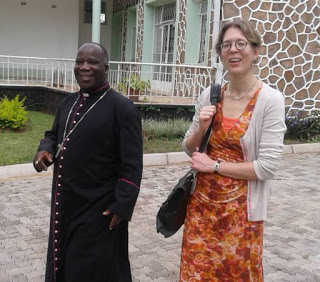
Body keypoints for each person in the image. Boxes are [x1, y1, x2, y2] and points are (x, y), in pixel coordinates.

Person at [179, 18, 286, 281]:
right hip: (202, 209)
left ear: (255, 50)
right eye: (226, 45)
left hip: (242, 215)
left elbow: (268, 167)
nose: (233, 50)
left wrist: (214, 166)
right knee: (197, 274)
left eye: (241, 43)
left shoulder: (270, 100)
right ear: (220, 53)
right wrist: (202, 128)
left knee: (236, 274)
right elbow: (187, 147)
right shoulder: (209, 95)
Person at [33, 42, 143, 282]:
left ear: (106, 67)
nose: (84, 67)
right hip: (66, 206)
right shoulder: (67, 103)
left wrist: (122, 206)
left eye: (92, 62)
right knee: (64, 264)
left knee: (95, 271)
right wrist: (45, 150)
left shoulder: (122, 108)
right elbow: (53, 135)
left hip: (99, 211)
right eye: (79, 61)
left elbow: (132, 164)